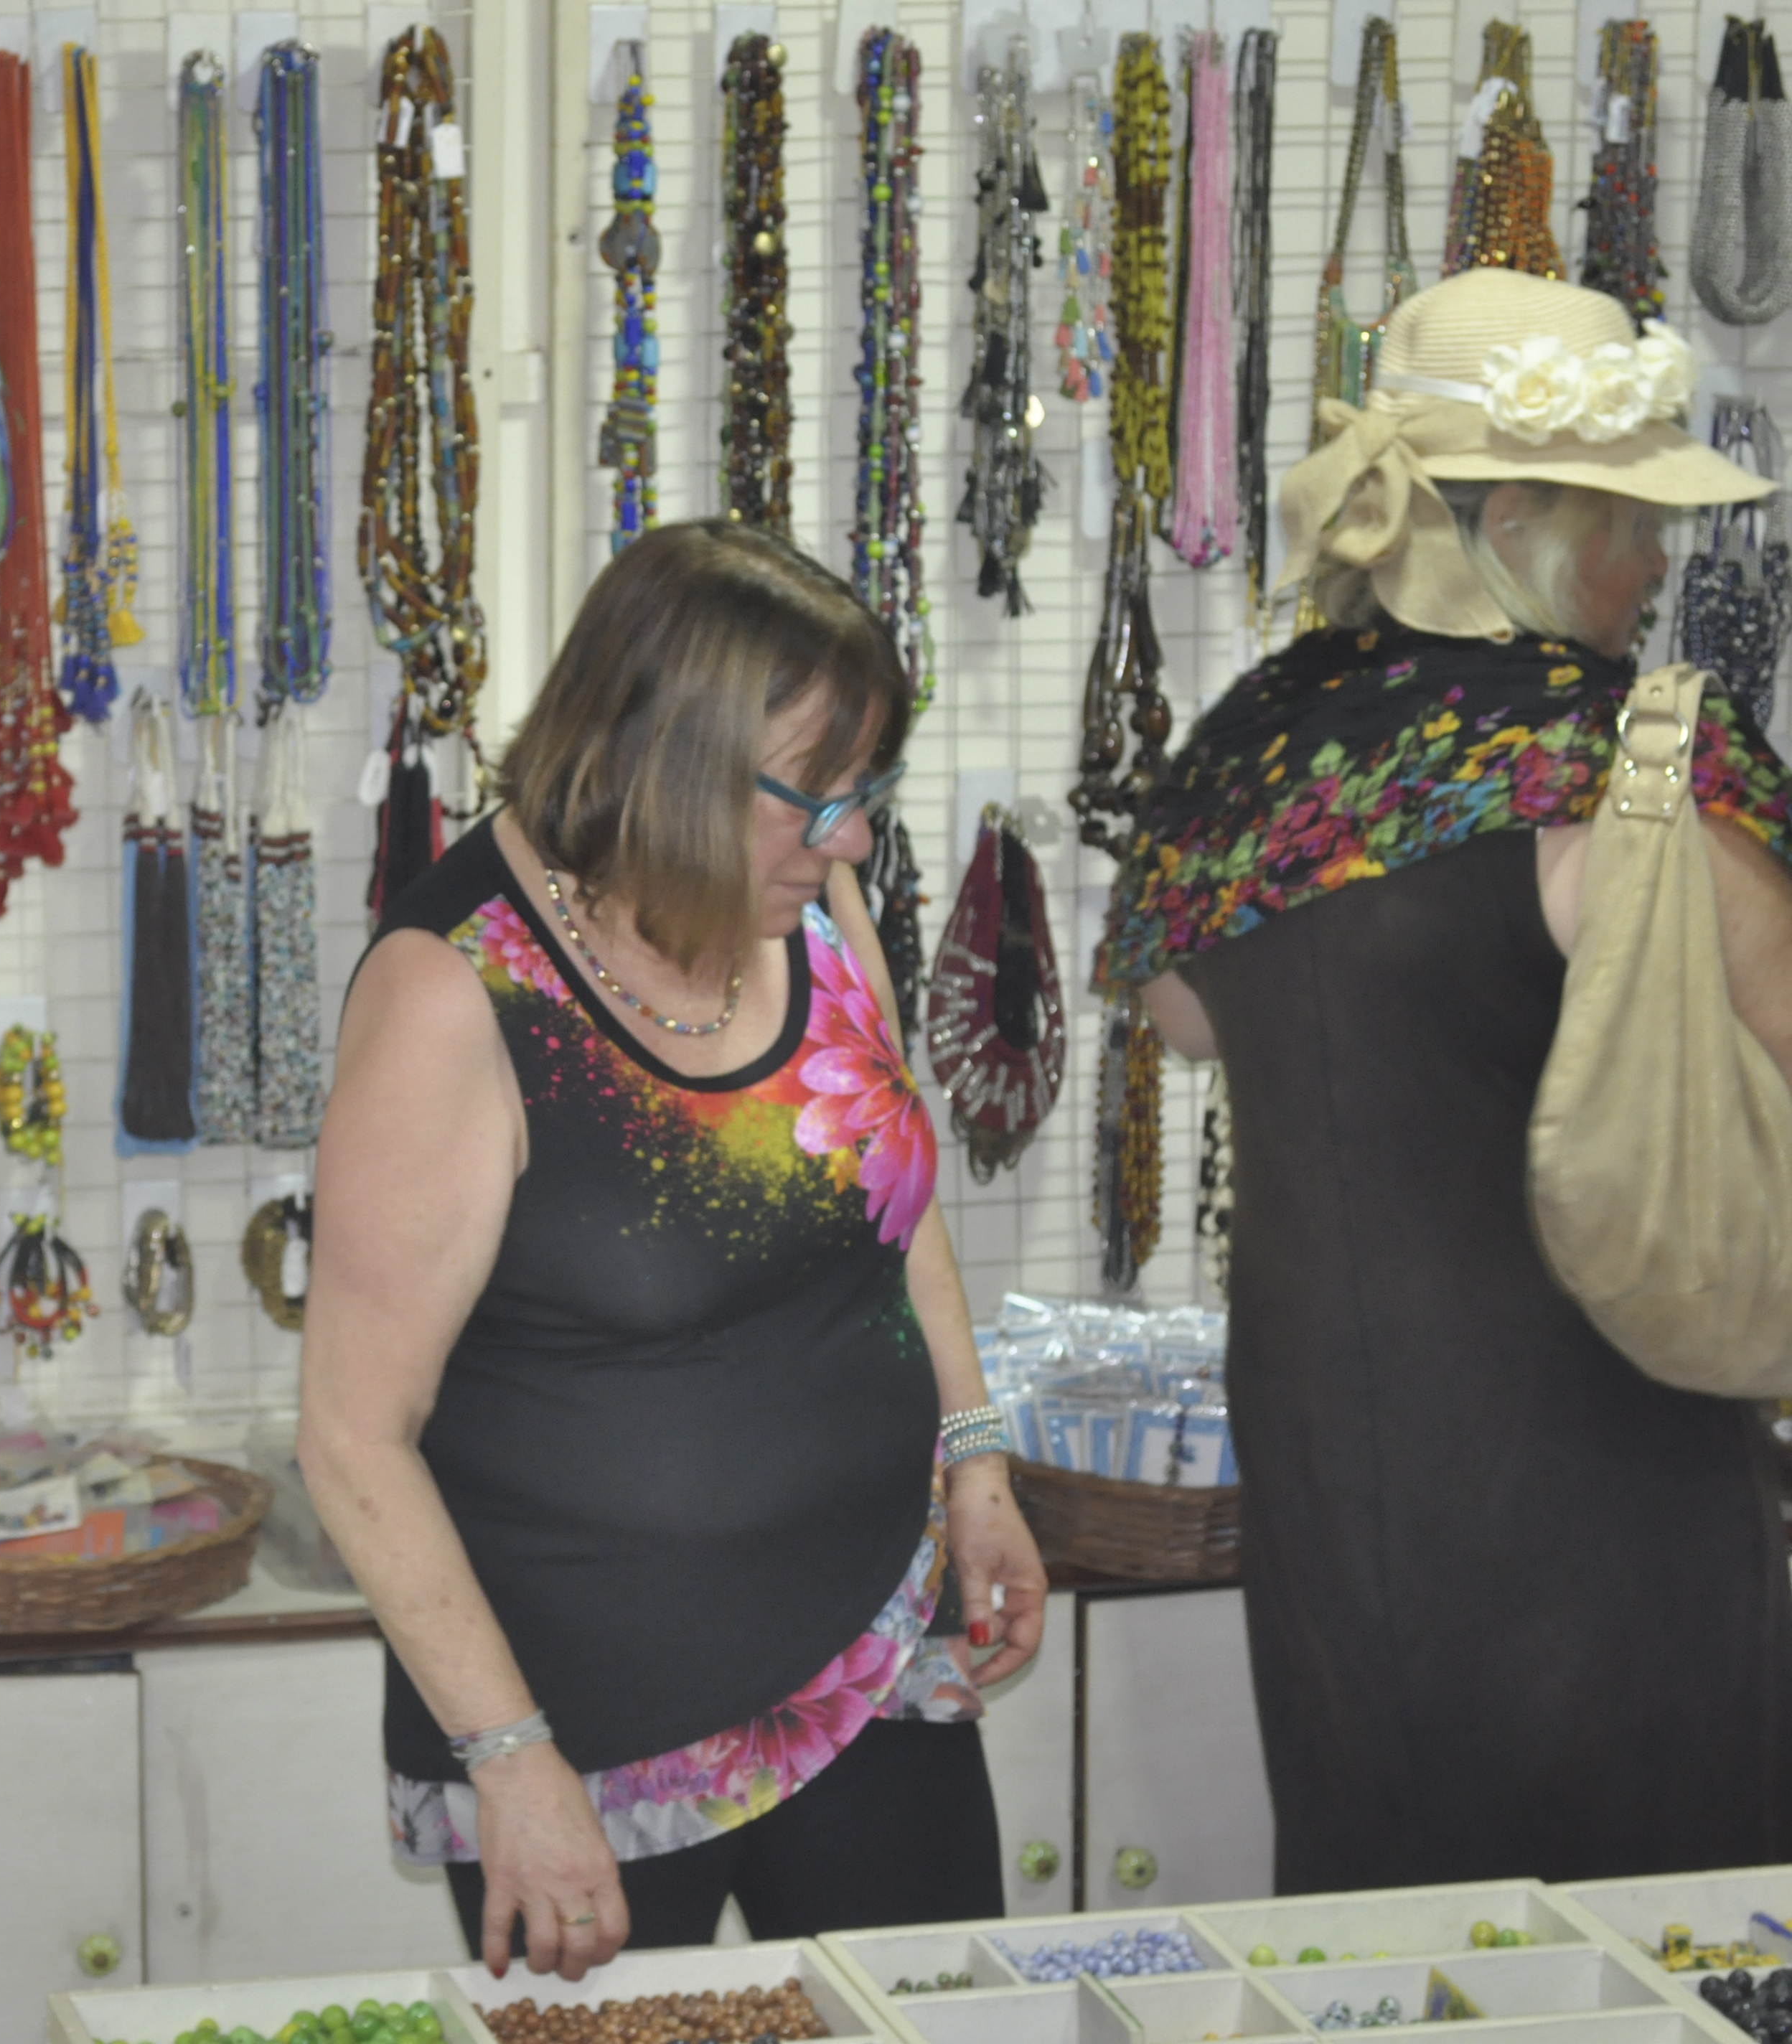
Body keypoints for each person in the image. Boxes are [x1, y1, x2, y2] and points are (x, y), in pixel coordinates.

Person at [1101, 267, 1792, 1890]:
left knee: (1391, 1894)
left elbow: (1178, 1015)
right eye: (1629, 519)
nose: (1649, 563)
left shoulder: (1245, 753)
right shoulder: (1628, 762)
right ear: (1525, 519)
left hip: (1339, 1432)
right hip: (1600, 1415)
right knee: (1649, 1918)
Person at [299, 522, 1046, 1982]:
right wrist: (510, 1761)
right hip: (587, 1735)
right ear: (660, 758)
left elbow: (888, 1203)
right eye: (809, 799)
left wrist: (976, 1456)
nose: (848, 839)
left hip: (874, 1652)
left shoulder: (815, 915)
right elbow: (348, 1434)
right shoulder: (456, 992)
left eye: (865, 793)